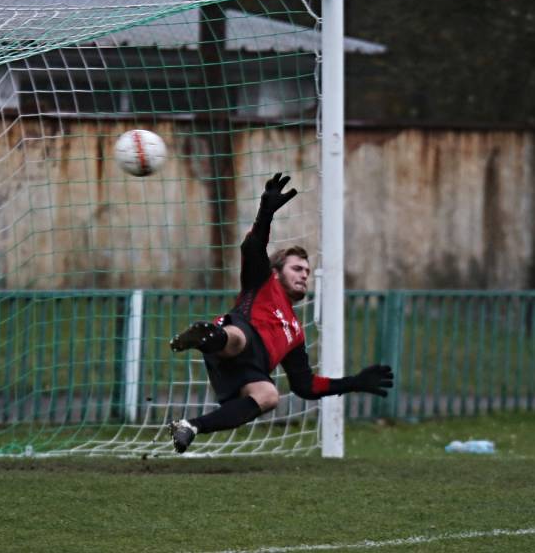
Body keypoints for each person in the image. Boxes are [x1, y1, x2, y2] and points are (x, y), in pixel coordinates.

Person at [168, 173, 394, 453]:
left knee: (269, 395)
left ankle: (189, 426)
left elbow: (306, 386)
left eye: (307, 272)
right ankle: (202, 337)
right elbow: (252, 247)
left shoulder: (296, 333)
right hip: (232, 338)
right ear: (276, 272)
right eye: (297, 269)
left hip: (248, 370)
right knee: (238, 336)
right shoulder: (263, 282)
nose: (304, 276)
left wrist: (355, 382)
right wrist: (266, 212)